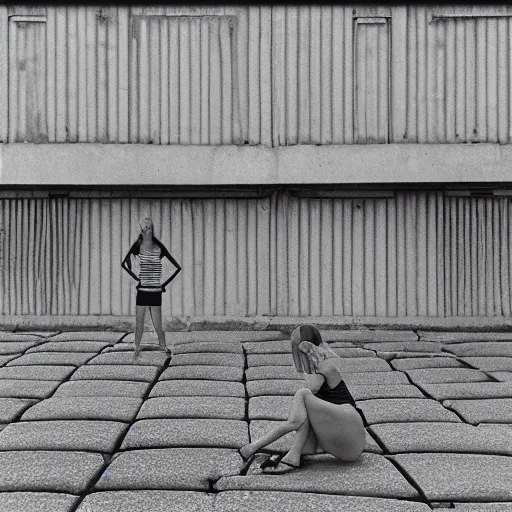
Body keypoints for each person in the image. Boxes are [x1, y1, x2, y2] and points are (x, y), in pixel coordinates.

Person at [238, 324, 365, 474]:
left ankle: (256, 447)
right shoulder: (321, 366)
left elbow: (310, 392)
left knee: (303, 395)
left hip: (350, 428)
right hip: (345, 439)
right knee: (303, 409)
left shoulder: (326, 365)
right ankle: (292, 455)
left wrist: (311, 363)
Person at [121, 217, 181, 359]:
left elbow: (176, 267)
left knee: (157, 324)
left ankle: (162, 346)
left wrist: (163, 284)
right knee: (140, 323)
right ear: (141, 231)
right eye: (145, 229)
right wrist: (137, 277)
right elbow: (125, 263)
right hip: (143, 290)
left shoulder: (157, 246)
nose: (147, 231)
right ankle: (137, 346)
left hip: (153, 291)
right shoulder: (138, 245)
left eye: (149, 228)